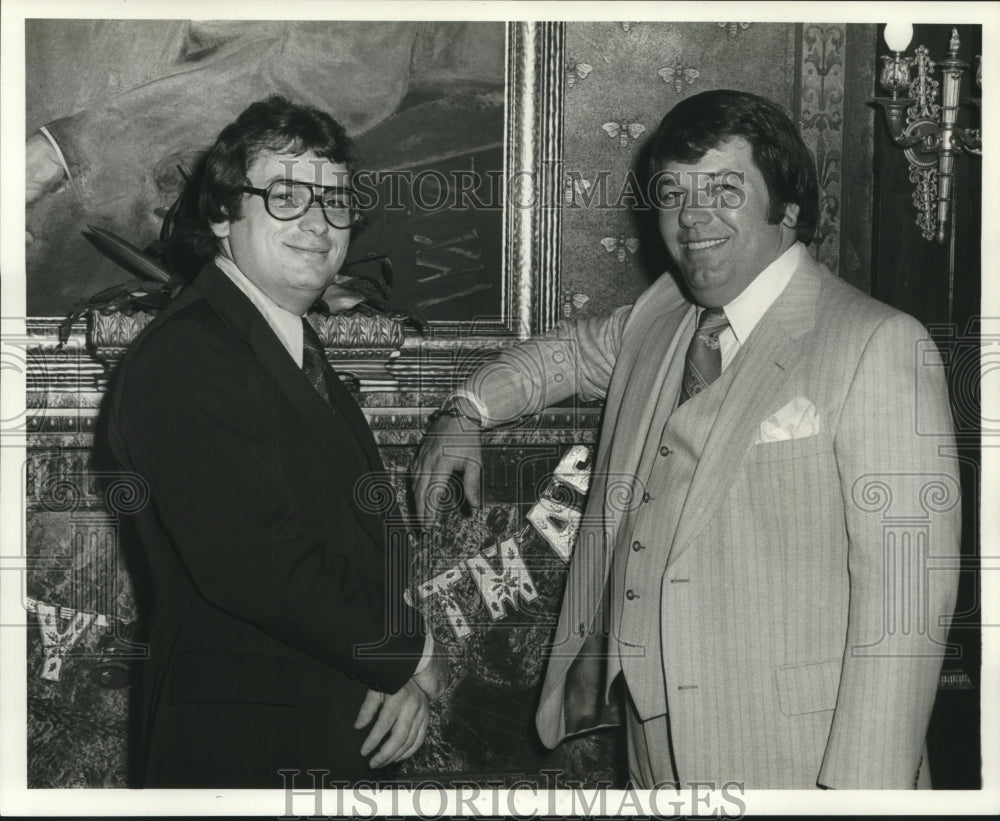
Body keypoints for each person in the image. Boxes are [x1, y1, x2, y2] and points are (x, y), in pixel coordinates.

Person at [414, 90, 960, 789]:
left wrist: (861, 792)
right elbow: (567, 356)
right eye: (673, 192)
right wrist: (465, 409)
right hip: (650, 740)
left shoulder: (878, 342)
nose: (692, 216)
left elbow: (907, 607)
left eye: (725, 189)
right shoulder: (664, 312)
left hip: (799, 754)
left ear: (788, 209)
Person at [105, 96, 446, 788]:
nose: (319, 223)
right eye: (286, 197)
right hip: (243, 750)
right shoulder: (190, 355)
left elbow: (344, 544)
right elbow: (254, 561)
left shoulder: (282, 343)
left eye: (336, 201)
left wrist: (391, 675)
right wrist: (410, 651)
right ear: (221, 214)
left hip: (320, 726)